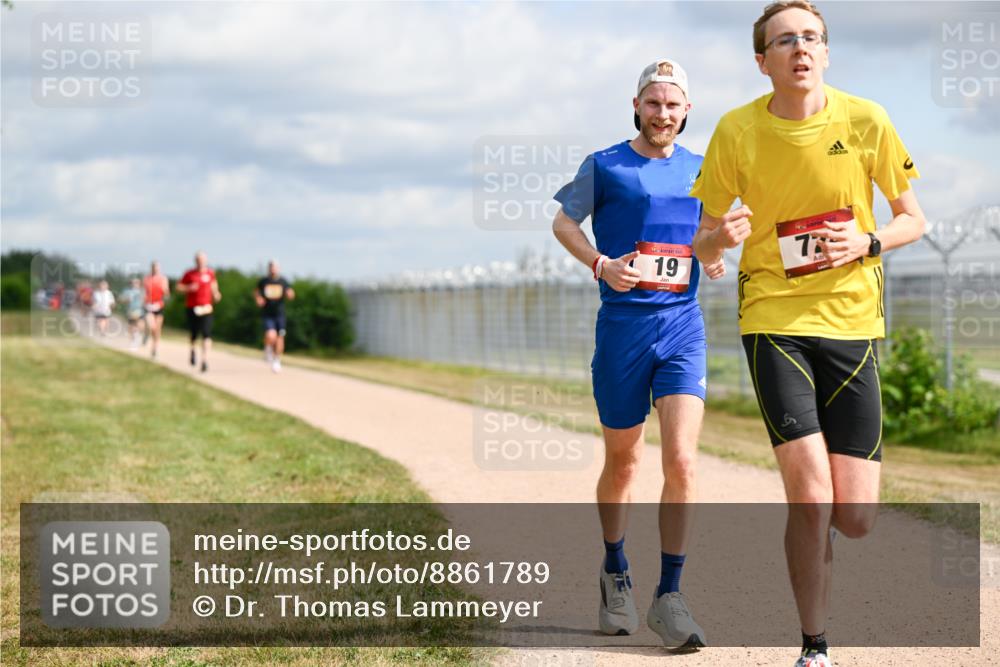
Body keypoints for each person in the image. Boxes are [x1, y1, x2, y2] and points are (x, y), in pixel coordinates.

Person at [689, 2, 925, 665]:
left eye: (811, 38)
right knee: (811, 494)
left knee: (855, 516)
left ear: (826, 53)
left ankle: (819, 553)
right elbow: (702, 234)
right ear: (762, 61)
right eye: (785, 39)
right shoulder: (736, 130)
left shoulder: (866, 119)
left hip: (853, 323)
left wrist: (869, 237)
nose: (800, 47)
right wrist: (720, 236)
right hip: (773, 320)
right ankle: (814, 646)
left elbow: (914, 219)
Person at [552, 59, 724, 650]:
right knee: (624, 463)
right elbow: (563, 223)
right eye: (654, 103)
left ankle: (670, 596)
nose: (663, 114)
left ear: (686, 111)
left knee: (681, 462)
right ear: (637, 105)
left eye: (673, 105)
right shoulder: (604, 165)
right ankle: (615, 570)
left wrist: (716, 250)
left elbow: (714, 231)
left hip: (682, 326)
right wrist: (600, 263)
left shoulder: (705, 170)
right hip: (622, 328)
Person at [176, 251, 221, 373]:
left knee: (207, 333)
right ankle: (192, 350)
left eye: (202, 260)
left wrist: (216, 294)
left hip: (206, 308)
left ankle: (205, 360)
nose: (201, 262)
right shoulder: (189, 273)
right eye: (198, 260)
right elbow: (178, 287)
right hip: (192, 307)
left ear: (205, 261)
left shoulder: (210, 273)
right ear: (195, 261)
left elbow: (214, 285)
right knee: (194, 334)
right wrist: (188, 288)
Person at [254, 260, 295, 373]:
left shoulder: (283, 281)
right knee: (271, 335)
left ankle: (277, 360)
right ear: (268, 268)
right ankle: (267, 348)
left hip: (280, 314)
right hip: (268, 314)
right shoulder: (264, 281)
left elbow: (290, 293)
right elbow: (257, 292)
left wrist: (290, 294)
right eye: (271, 267)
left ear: (278, 268)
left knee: (280, 337)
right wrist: (258, 299)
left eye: (275, 267)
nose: (273, 269)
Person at [143, 261, 170, 358]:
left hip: (159, 306)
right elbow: (143, 291)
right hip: (148, 306)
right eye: (154, 267)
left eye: (157, 267)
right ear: (151, 268)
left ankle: (155, 348)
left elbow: (167, 293)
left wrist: (165, 290)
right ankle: (146, 333)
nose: (156, 269)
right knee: (152, 326)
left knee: (157, 329)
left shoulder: (163, 279)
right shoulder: (147, 278)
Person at [121, 278, 146, 348]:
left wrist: (143, 301)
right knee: (131, 327)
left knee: (141, 325)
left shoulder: (142, 291)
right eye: (133, 283)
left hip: (140, 310)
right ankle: (134, 340)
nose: (135, 284)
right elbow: (122, 299)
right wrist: (126, 300)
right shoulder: (127, 291)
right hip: (130, 311)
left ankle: (138, 336)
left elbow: (145, 299)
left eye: (137, 282)